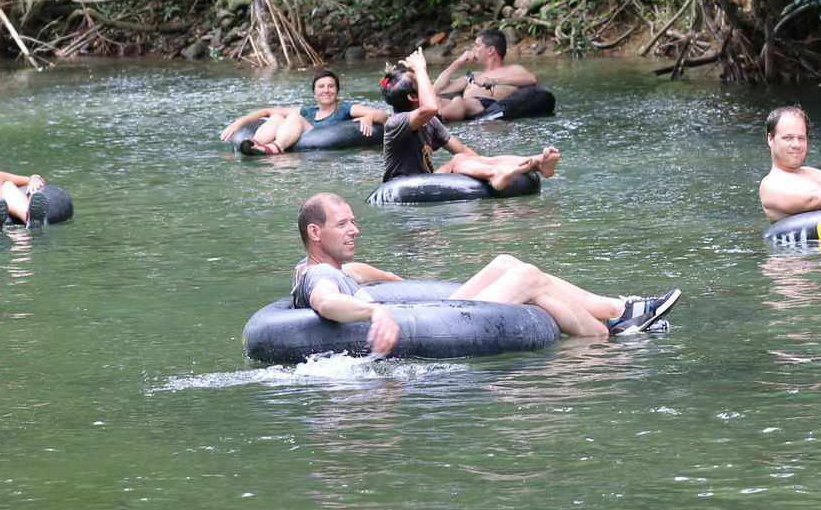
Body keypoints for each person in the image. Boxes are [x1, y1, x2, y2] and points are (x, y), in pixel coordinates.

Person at [292, 191, 681, 355]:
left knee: (505, 262)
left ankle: (625, 309)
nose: (354, 230)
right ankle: (613, 330)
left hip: (432, 312)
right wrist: (377, 311)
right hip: (440, 326)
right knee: (528, 278)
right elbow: (326, 301)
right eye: (343, 224)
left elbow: (359, 273)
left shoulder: (327, 267)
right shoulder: (317, 279)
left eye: (352, 222)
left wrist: (398, 285)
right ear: (315, 232)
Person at [381, 48, 559, 191]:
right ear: (413, 97)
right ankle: (495, 174)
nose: (425, 83)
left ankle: (536, 163)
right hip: (403, 186)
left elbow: (463, 151)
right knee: (458, 161)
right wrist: (420, 69)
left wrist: (483, 165)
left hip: (426, 179)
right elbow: (431, 107)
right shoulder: (396, 122)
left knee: (462, 157)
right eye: (420, 82)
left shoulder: (431, 123)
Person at [218, 70, 389, 154]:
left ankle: (275, 148)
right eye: (321, 87)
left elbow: (383, 115)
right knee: (277, 116)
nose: (326, 90)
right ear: (314, 93)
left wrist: (369, 116)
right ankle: (254, 145)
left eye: (331, 86)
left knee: (293, 117)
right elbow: (267, 111)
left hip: (323, 156)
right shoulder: (309, 111)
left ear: (337, 91)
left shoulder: (344, 109)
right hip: (301, 145)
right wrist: (238, 123)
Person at [430, 29, 540, 122]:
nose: (472, 50)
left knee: (459, 100)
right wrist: (458, 63)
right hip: (465, 107)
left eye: (477, 46)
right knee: (438, 100)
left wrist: (495, 81)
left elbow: (531, 79)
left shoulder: (512, 69)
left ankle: (433, 120)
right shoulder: (475, 75)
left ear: (491, 50)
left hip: (486, 106)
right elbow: (438, 89)